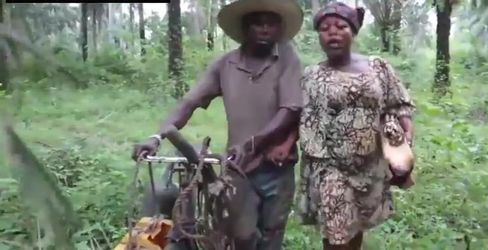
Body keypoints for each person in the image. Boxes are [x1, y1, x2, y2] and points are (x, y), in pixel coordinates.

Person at [131, 0, 304, 249]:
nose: (265, 29)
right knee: (240, 234)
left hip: (276, 167)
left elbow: (290, 110)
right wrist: (156, 137)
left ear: (279, 28)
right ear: (245, 27)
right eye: (258, 23)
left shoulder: (287, 58)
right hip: (238, 168)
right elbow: (189, 103)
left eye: (271, 23)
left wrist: (254, 144)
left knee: (271, 234)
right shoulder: (225, 65)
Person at [293, 2, 416, 250]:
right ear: (319, 36)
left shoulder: (377, 68)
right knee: (336, 236)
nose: (333, 32)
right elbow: (297, 115)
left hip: (369, 165)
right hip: (329, 167)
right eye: (325, 28)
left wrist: (404, 143)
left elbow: (398, 104)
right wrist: (285, 144)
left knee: (356, 226)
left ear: (354, 31)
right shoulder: (311, 75)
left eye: (341, 26)